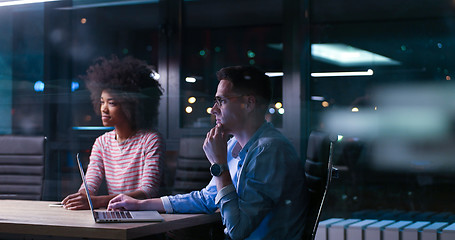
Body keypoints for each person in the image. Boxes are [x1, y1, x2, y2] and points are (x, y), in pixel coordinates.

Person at [108, 66, 308, 239]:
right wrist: (141, 204)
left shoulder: (269, 150)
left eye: (221, 101)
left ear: (248, 103)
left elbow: (237, 230)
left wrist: (219, 165)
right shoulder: (233, 144)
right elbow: (208, 197)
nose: (213, 109)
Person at [62, 56, 165, 210]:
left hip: (144, 217)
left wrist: (96, 202)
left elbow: (147, 192)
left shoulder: (150, 140)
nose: (103, 109)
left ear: (131, 105)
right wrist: (83, 195)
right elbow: (90, 182)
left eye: (111, 103)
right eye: (102, 101)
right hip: (115, 215)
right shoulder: (102, 142)